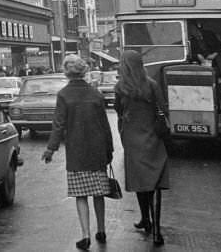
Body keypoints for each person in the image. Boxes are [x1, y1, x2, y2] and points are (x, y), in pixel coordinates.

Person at [42, 54, 114, 250]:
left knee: (81, 194)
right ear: (84, 71)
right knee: (99, 192)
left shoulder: (64, 95)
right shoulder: (96, 94)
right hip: (98, 149)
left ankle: (85, 235)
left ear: (67, 72)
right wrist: (110, 148)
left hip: (77, 151)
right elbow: (105, 125)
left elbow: (58, 125)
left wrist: (51, 149)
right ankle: (101, 230)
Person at [115, 50, 169, 246]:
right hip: (152, 137)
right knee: (154, 183)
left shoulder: (121, 87)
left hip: (132, 139)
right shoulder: (152, 85)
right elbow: (163, 107)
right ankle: (156, 229)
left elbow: (119, 111)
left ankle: (145, 218)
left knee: (140, 182)